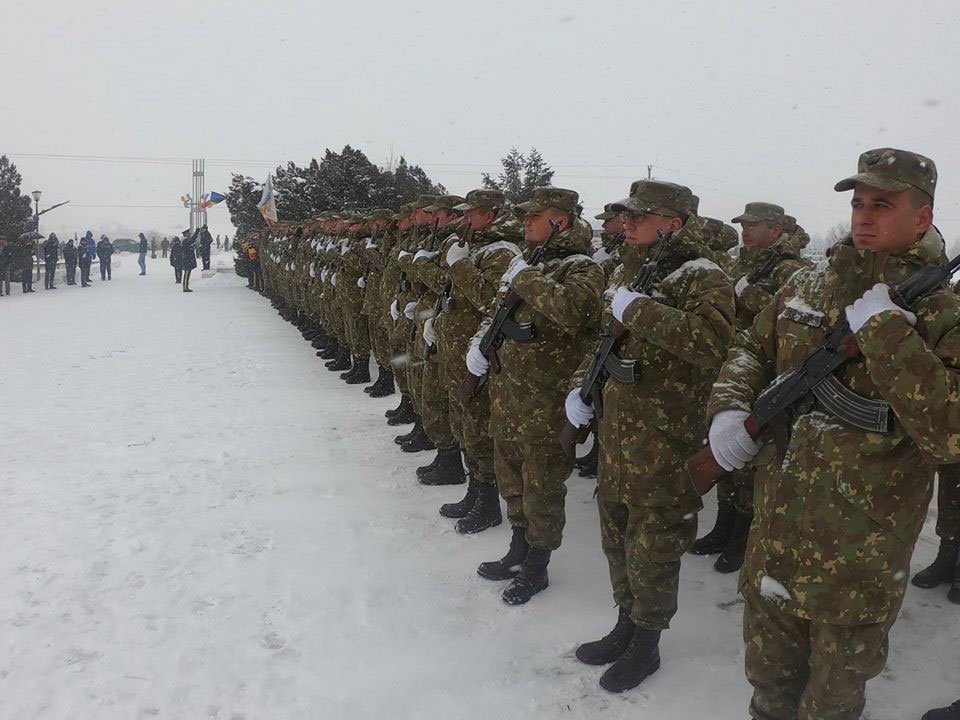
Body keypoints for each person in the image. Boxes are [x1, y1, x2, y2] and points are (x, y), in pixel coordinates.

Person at [706, 148, 960, 720]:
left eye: (883, 204)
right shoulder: (810, 281)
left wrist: (889, 335)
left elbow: (951, 434)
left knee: (832, 703)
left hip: (857, 563)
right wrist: (729, 410)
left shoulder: (945, 313)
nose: (864, 216)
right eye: (858, 203)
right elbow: (751, 348)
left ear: (922, 217)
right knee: (767, 688)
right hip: (775, 537)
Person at [567, 181, 735, 693]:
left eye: (641, 215)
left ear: (674, 223)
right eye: (628, 214)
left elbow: (711, 344)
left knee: (654, 547)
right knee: (616, 535)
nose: (629, 222)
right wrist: (580, 389)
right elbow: (603, 340)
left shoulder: (703, 277)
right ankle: (626, 621)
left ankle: (648, 641)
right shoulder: (630, 269)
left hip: (666, 439)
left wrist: (635, 308)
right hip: (619, 435)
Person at [468, 187, 604, 605]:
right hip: (509, 396)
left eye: (535, 215)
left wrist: (524, 276)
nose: (525, 221)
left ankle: (537, 564)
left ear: (560, 220)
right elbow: (494, 315)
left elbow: (571, 310)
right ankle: (518, 545)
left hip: (546, 402)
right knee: (512, 478)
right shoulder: (528, 262)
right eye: (524, 215)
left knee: (542, 487)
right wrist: (477, 345)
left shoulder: (581, 268)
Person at [692, 202, 809, 575]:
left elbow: (787, 320)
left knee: (748, 462)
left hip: (764, 375)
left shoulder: (790, 269)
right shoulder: (739, 262)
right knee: (722, 450)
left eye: (753, 225)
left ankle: (741, 537)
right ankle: (723, 527)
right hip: (732, 368)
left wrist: (750, 294)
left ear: (775, 230)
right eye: (743, 224)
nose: (745, 230)